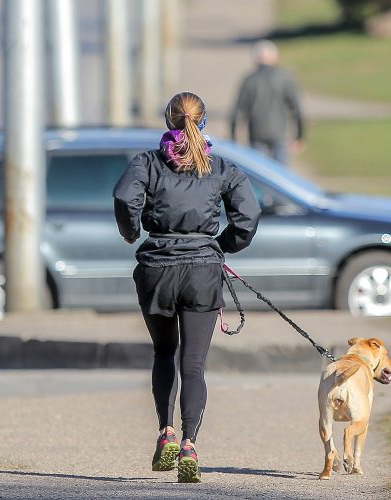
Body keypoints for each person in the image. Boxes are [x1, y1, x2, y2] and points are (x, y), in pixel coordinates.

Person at [113, 92, 261, 483]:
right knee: (193, 364)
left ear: (168, 120)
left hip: (157, 270)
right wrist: (221, 246)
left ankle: (166, 434)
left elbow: (123, 196)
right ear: (204, 121)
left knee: (164, 353)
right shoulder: (221, 167)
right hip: (202, 272)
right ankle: (191, 444)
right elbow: (250, 213)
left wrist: (132, 233)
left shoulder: (147, 162)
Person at [230, 39, 305, 165]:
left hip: (256, 135)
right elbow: (296, 108)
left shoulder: (250, 80)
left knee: (259, 173)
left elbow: (238, 111)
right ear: (275, 57)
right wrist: (299, 135)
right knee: (280, 176)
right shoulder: (284, 77)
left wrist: (233, 137)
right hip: (279, 134)